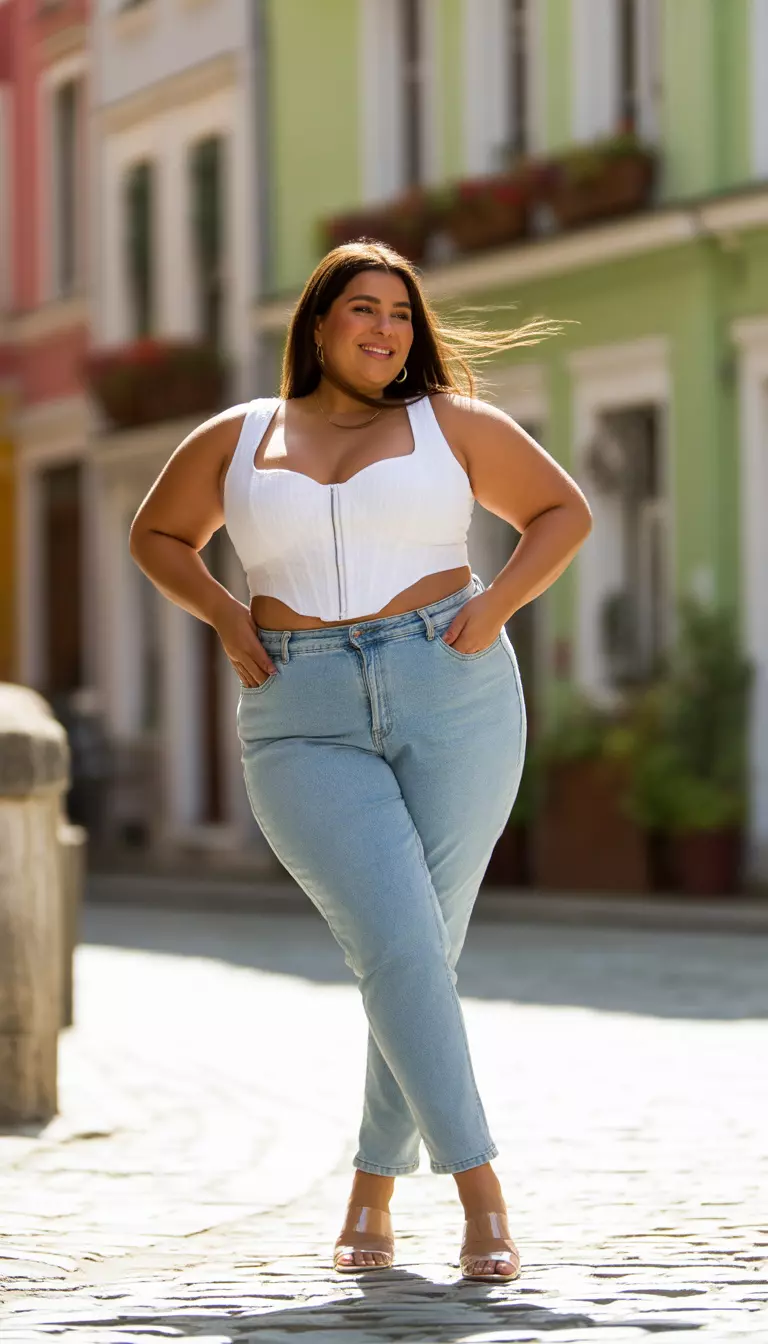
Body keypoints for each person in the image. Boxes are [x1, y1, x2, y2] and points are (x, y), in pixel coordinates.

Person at [129, 240, 592, 1282]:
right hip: (299, 711)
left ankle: (372, 1195)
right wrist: (222, 614)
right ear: (318, 323)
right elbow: (157, 535)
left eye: (401, 314)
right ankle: (481, 1192)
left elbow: (564, 512)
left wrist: (491, 611)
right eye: (362, 310)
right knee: (398, 940)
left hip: (454, 689)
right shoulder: (237, 436)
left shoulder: (451, 426)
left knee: (418, 950)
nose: (385, 331)